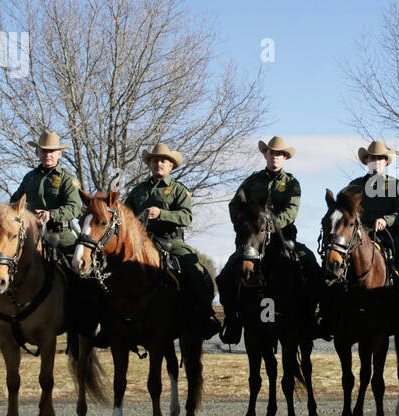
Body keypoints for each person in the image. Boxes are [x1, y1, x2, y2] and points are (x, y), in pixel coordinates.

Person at [0, 129, 82, 341]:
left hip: (58, 234)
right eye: (43, 151)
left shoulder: (67, 179)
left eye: (52, 151)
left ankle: (84, 319)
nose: (48, 155)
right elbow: (14, 202)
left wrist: (52, 214)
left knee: (80, 271)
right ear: (37, 153)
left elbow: (75, 207)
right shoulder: (29, 177)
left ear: (59, 154)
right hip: (27, 235)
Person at [217, 136, 320, 343]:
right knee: (225, 276)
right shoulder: (252, 181)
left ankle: (311, 319)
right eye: (272, 153)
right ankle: (232, 319)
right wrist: (244, 225)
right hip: (253, 240)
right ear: (265, 155)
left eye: (279, 154)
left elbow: (292, 211)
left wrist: (271, 225)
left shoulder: (291, 183)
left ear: (284, 158)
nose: (275, 157)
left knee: (311, 266)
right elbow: (234, 205)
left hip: (283, 239)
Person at [123, 142, 221, 338]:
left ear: (171, 166)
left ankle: (204, 317)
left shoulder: (178, 190)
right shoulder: (137, 191)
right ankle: (112, 323)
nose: (159, 163)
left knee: (196, 273)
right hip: (141, 244)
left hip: (171, 243)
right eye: (155, 160)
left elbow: (186, 217)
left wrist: (162, 214)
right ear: (150, 164)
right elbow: (125, 217)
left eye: (163, 161)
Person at [344, 138, 399, 265]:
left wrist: (386, 220)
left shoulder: (396, 185)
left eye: (380, 158)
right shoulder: (354, 185)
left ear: (386, 162)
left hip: (388, 236)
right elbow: (345, 210)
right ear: (366, 161)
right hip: (357, 236)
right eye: (373, 158)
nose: (376, 161)